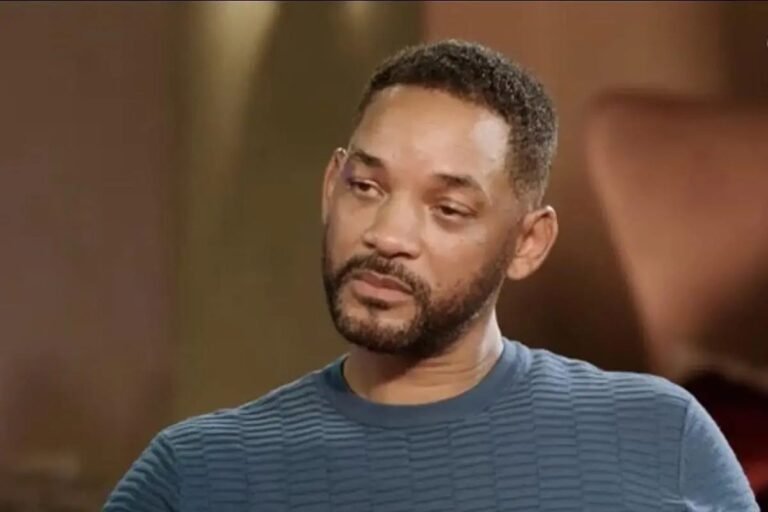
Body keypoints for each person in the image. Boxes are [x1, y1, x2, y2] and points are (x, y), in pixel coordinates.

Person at [103, 40, 758, 511]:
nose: (387, 236)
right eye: (366, 187)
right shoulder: (198, 473)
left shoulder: (659, 438)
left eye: (447, 209)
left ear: (528, 243)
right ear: (330, 188)